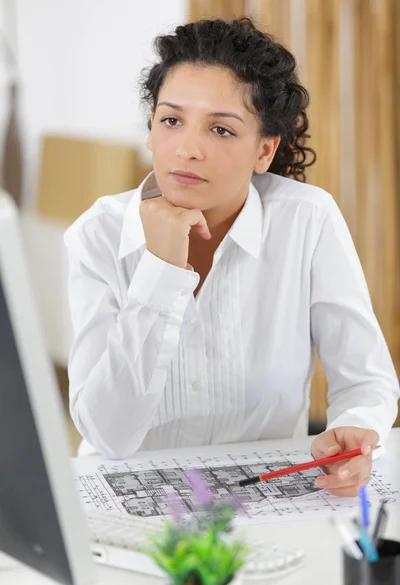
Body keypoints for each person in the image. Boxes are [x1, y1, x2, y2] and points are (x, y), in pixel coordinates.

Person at [64, 17, 399, 497]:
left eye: (221, 129)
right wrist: (159, 272)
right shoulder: (97, 236)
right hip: (125, 496)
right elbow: (107, 435)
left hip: (260, 495)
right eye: (172, 120)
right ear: (151, 130)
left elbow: (366, 381)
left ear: (264, 150)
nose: (188, 149)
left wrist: (357, 430)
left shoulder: (307, 221)